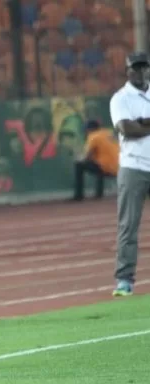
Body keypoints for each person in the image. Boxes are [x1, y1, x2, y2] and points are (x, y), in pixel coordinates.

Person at [110, 52, 150, 297]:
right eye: (135, 68)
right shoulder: (120, 98)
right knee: (128, 225)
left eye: (144, 67)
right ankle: (124, 279)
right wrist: (137, 125)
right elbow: (126, 128)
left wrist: (143, 122)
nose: (140, 71)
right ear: (127, 71)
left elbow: (136, 127)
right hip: (133, 167)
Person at [73, 120, 119, 201]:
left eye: (87, 129)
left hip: (106, 168)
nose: (86, 131)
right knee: (98, 162)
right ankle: (99, 193)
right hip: (120, 168)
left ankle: (78, 196)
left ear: (90, 129)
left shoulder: (93, 136)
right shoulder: (108, 133)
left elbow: (87, 157)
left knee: (79, 165)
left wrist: (79, 158)